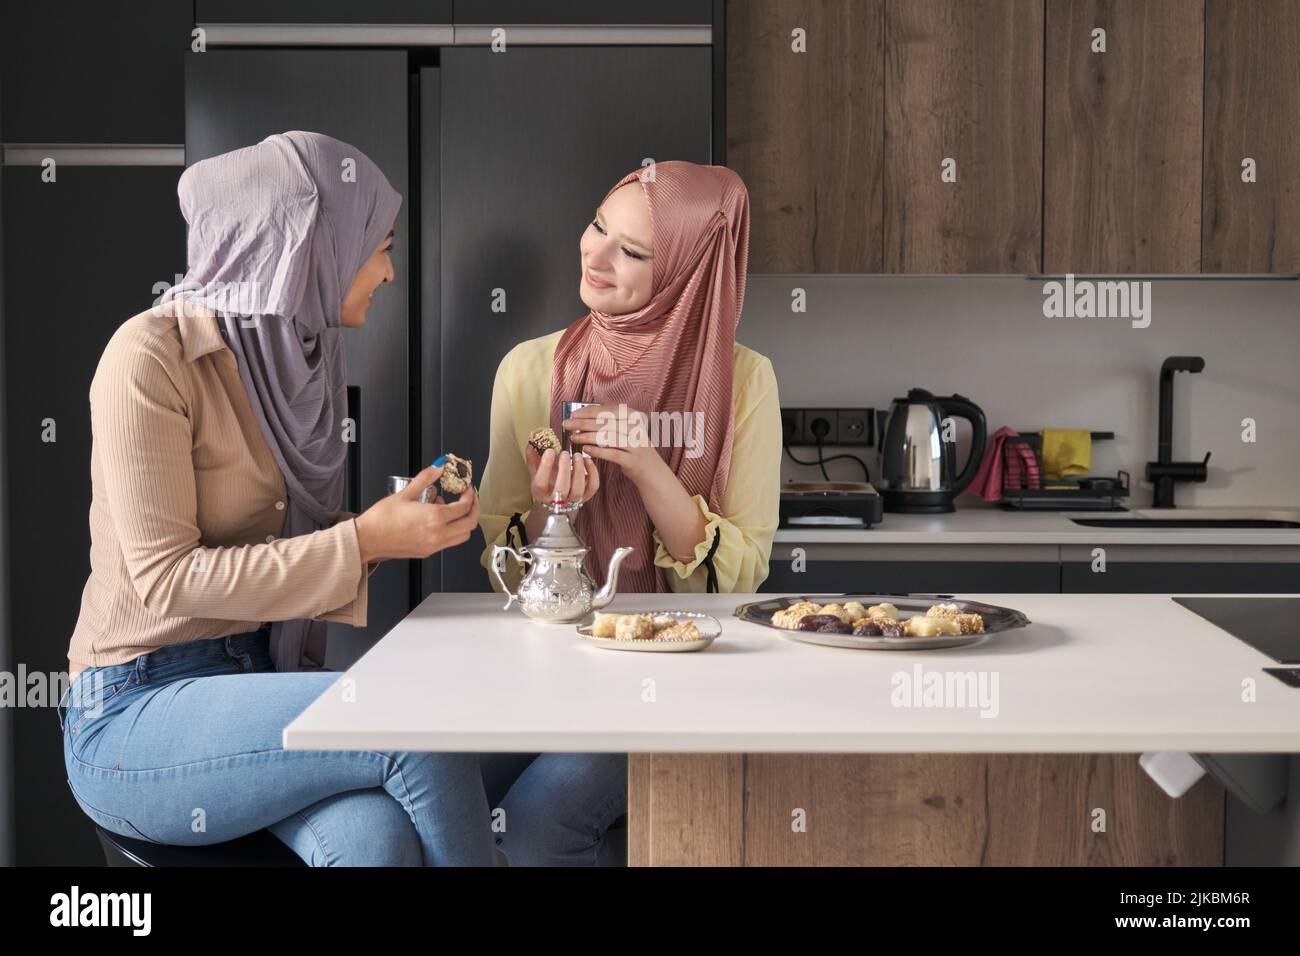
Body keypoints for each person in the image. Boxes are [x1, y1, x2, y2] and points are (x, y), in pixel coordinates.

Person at [58, 131, 494, 866]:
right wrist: (367, 542)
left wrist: (388, 531)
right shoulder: (148, 357)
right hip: (133, 708)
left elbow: (298, 555)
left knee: (378, 846)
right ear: (310, 248)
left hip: (252, 681)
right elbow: (167, 581)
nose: (389, 272)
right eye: (378, 245)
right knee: (415, 727)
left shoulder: (299, 357)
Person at [476, 161, 782, 865]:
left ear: (687, 273)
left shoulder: (746, 382)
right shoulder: (528, 369)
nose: (595, 255)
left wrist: (647, 467)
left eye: (633, 252)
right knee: (444, 792)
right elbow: (502, 573)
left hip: (683, 677)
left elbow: (740, 583)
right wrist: (558, 511)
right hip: (547, 666)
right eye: (597, 227)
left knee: (531, 826)